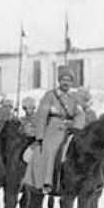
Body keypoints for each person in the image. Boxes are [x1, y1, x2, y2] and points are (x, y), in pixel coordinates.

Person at [23, 65, 85, 195]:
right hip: (53, 128)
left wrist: (75, 126)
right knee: (51, 149)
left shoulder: (74, 98)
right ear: (59, 80)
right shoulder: (50, 96)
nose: (66, 82)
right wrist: (40, 135)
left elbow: (80, 114)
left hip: (70, 128)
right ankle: (47, 182)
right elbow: (41, 115)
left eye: (68, 80)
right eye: (63, 79)